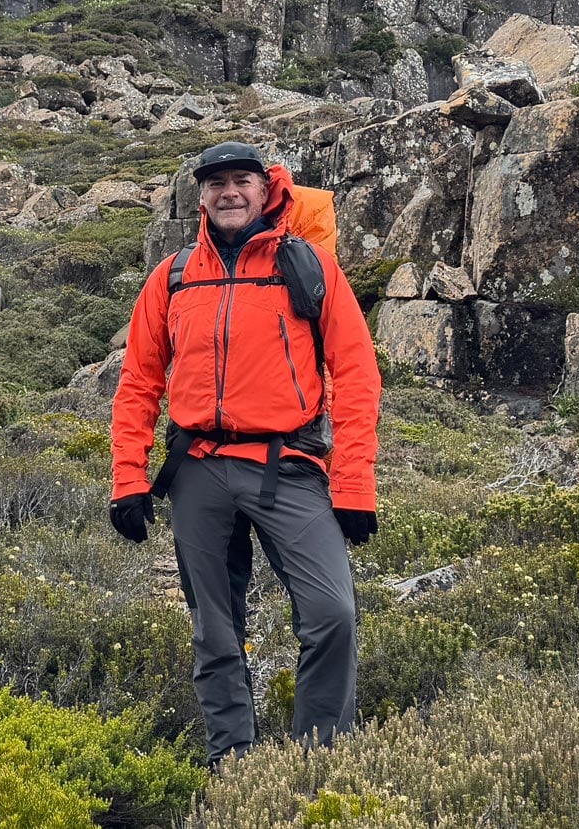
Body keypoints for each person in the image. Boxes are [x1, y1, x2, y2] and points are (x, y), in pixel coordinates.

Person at [108, 140, 380, 767]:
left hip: (289, 466)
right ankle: (232, 764)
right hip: (197, 468)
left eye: (241, 181)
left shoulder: (308, 266)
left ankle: (318, 761)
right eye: (215, 184)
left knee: (332, 613)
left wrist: (354, 485)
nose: (228, 193)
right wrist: (128, 480)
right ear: (199, 197)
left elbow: (357, 374)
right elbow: (139, 384)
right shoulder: (173, 276)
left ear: (265, 190)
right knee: (215, 630)